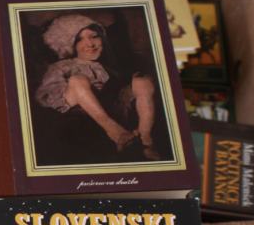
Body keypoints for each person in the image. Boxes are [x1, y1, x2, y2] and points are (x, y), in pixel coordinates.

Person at [34, 14, 160, 160]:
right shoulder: (60, 67)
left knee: (142, 80)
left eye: (94, 36)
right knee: (78, 81)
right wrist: (80, 88)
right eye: (79, 39)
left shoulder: (108, 67)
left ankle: (145, 139)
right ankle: (118, 134)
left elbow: (121, 93)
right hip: (76, 113)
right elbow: (48, 95)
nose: (90, 44)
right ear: (69, 44)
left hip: (111, 107)